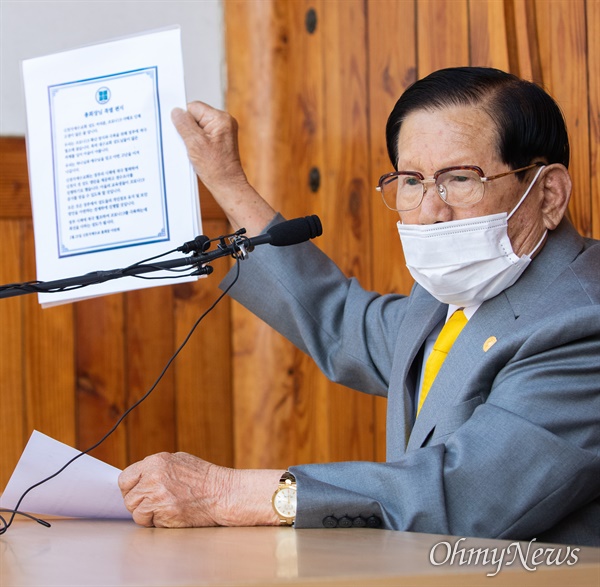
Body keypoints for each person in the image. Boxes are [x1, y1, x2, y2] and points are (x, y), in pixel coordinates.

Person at [118, 67, 600, 546]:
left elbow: (468, 493)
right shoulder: (449, 295)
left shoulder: (582, 321)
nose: (432, 210)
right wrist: (225, 180)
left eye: (459, 178)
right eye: (411, 181)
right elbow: (338, 322)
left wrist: (225, 494)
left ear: (548, 193)